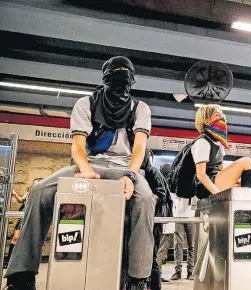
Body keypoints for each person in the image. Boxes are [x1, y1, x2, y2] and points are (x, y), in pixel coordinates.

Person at [5, 56, 155, 290]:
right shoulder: (86, 104)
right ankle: (21, 274)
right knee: (39, 190)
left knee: (145, 199)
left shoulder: (140, 108)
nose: (121, 76)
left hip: (124, 169)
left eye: (126, 72)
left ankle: (139, 278)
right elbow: (77, 145)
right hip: (90, 164)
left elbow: (139, 147)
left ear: (132, 80)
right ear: (105, 77)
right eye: (116, 71)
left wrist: (131, 175)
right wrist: (85, 169)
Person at [171, 104, 251, 200]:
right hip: (201, 187)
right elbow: (201, 174)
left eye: (222, 115)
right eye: (218, 115)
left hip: (212, 180)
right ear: (206, 120)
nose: (222, 118)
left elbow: (220, 169)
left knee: (241, 183)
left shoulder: (218, 143)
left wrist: (233, 180)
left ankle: (246, 200)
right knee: (247, 162)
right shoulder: (203, 142)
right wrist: (219, 194)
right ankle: (248, 201)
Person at [156, 164, 195, 282]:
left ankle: (190, 271)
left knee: (191, 246)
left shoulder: (192, 182)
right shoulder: (173, 183)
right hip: (177, 217)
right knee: (179, 245)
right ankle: (178, 271)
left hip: (190, 217)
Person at [140, 150, 173, 290]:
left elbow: (159, 195)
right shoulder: (146, 173)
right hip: (152, 219)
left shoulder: (151, 173)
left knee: (150, 255)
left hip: (155, 220)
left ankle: (153, 286)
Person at [4, 178, 42, 269]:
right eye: (33, 184)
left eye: (36, 184)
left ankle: (20, 261)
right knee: (15, 237)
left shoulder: (39, 194)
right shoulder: (29, 193)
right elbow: (21, 200)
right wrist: (15, 193)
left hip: (30, 217)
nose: (34, 186)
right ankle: (8, 260)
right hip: (23, 216)